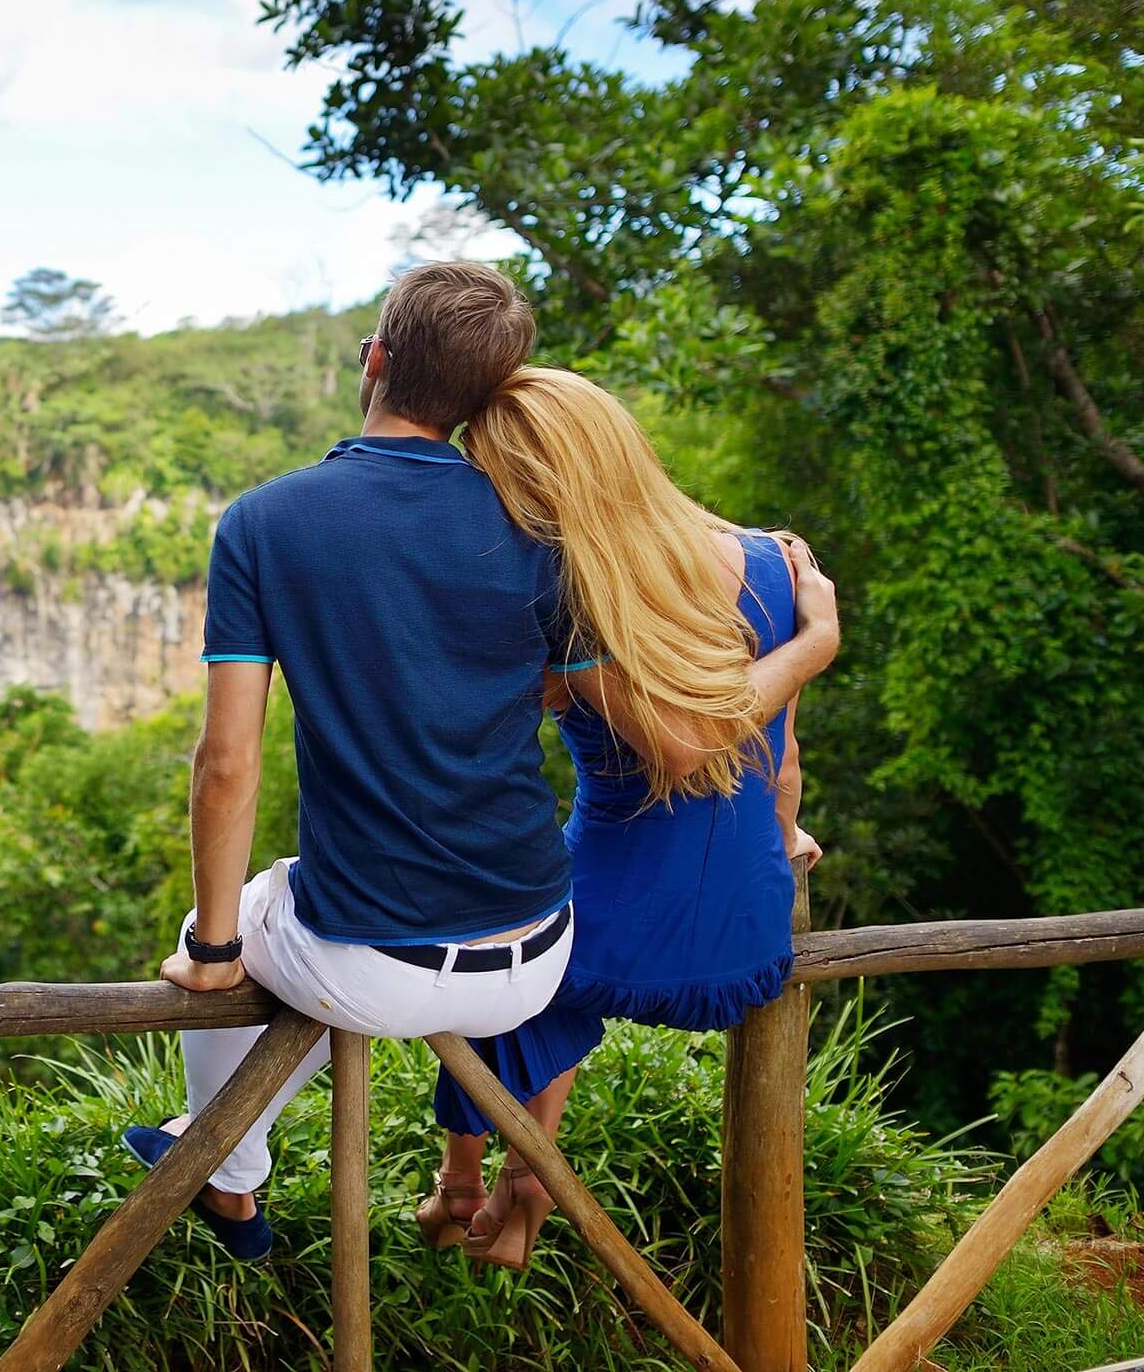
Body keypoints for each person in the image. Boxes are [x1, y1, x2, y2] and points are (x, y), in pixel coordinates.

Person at [122, 261, 839, 1264]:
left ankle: (225, 1180)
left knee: (232, 928)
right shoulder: (541, 540)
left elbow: (227, 764)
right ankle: (347, 1171)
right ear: (482, 396)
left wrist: (209, 952)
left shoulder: (262, 523)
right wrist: (808, 645)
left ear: (374, 359)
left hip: (374, 965)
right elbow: (683, 739)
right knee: (293, 932)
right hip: (536, 951)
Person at [416, 365, 839, 1272]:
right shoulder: (769, 562)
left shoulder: (574, 598)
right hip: (751, 926)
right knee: (535, 957)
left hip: (630, 928)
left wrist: (817, 647)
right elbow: (784, 758)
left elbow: (683, 748)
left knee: (506, 964)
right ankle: (498, 1197)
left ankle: (492, 1190)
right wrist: (783, 834)